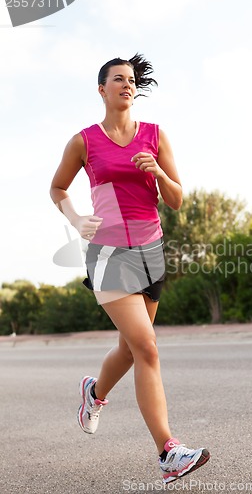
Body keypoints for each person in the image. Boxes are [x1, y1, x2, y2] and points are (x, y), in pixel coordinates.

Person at [50, 53, 210, 484]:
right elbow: (57, 187)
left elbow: (176, 199)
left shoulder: (156, 136)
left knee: (129, 349)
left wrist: (157, 170)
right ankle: (168, 452)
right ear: (101, 89)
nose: (127, 84)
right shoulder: (84, 141)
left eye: (131, 80)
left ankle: (94, 393)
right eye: (117, 79)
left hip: (150, 251)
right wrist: (76, 218)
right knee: (148, 348)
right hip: (108, 252)